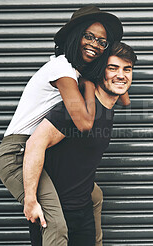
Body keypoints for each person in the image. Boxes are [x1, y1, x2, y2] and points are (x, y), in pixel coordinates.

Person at [0, 5, 127, 246]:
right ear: (75, 35)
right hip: (16, 154)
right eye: (89, 36)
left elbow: (125, 98)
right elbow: (85, 123)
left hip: (36, 152)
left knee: (93, 195)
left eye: (102, 42)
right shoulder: (62, 68)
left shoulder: (78, 71)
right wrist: (31, 200)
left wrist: (106, 70)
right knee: (55, 224)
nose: (95, 44)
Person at [24, 41, 137, 245]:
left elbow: (123, 94)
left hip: (82, 211)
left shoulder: (107, 103)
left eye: (127, 69)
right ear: (100, 71)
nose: (121, 74)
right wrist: (30, 200)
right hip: (55, 213)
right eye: (112, 68)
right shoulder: (76, 110)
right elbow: (34, 145)